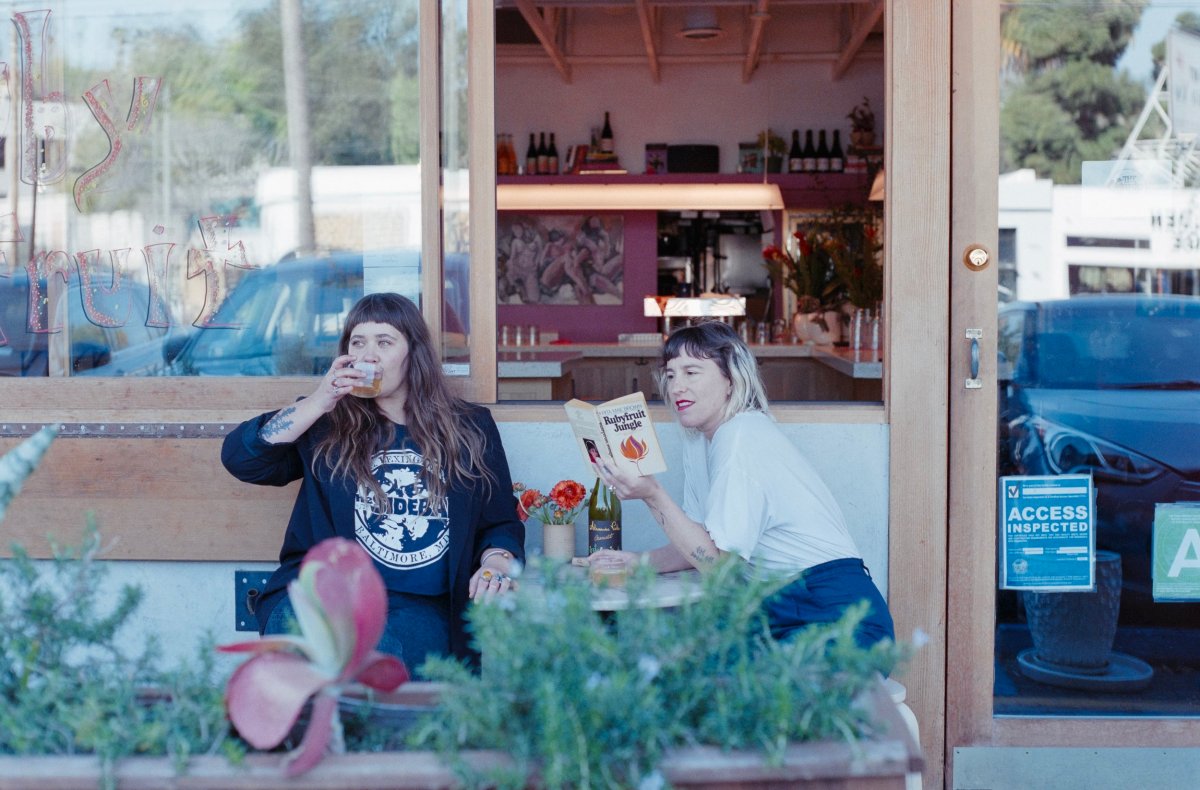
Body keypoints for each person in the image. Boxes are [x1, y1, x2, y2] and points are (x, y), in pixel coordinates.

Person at [221, 292, 524, 674]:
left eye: (384, 342)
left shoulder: (469, 427)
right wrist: (319, 400)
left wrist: (496, 563)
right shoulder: (327, 423)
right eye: (358, 343)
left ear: (414, 353)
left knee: (384, 664)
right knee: (332, 653)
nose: (368, 356)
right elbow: (241, 459)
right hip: (325, 593)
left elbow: (500, 522)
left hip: (421, 604)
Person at [589, 320, 894, 651]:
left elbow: (720, 567)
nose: (676, 387)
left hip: (836, 616)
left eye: (691, 372)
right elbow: (703, 545)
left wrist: (653, 495)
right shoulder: (699, 441)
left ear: (731, 379)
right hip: (776, 613)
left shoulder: (742, 437)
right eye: (671, 374)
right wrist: (638, 563)